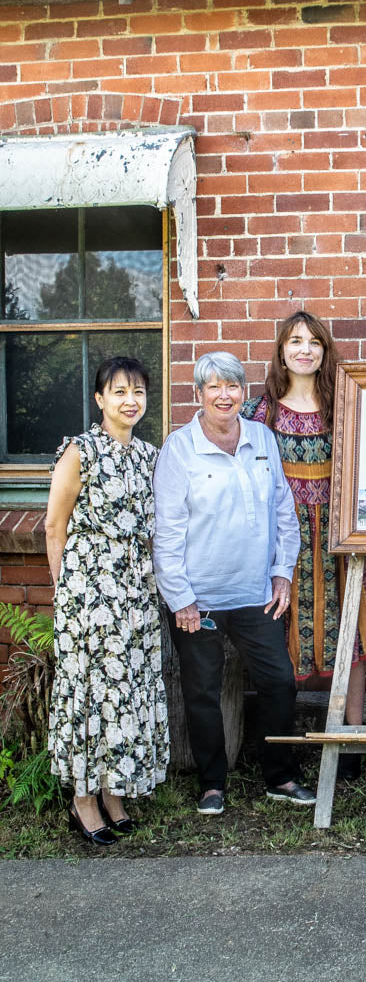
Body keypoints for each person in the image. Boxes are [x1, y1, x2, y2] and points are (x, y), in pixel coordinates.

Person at [153, 351, 314, 815]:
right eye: (214, 387)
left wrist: (283, 570)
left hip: (254, 592)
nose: (225, 395)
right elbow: (167, 532)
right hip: (197, 598)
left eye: (234, 386)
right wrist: (180, 599)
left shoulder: (262, 437)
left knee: (279, 681)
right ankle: (211, 784)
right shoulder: (179, 449)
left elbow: (284, 510)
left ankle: (279, 776)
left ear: (244, 392)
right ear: (198, 394)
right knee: (201, 690)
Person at [242, 311, 366, 781]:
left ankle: (351, 743)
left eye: (314, 342)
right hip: (283, 544)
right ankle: (280, 751)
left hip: (341, 538)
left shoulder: (344, 404)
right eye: (295, 341)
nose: (304, 349)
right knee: (279, 640)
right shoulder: (257, 413)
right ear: (282, 350)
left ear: (325, 351)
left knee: (352, 636)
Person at [45, 356, 169, 847]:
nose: (130, 400)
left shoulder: (149, 456)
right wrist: (66, 594)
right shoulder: (81, 452)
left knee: (127, 693)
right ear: (100, 400)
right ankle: (83, 798)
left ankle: (114, 793)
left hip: (136, 595)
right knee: (91, 695)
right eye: (119, 391)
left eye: (138, 391)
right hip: (88, 595)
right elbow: (55, 527)